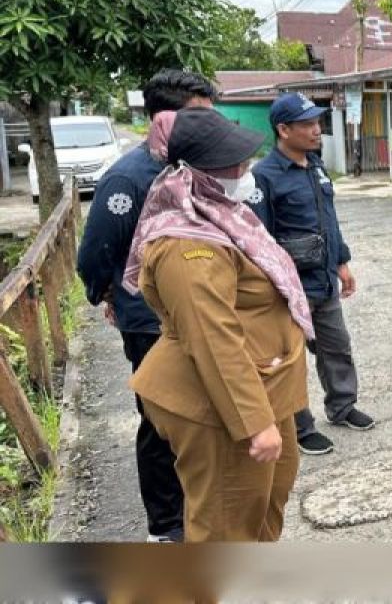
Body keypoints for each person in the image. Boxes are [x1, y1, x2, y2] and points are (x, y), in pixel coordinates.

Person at [123, 107, 312, 542]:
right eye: (234, 162)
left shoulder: (219, 215)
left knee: (264, 507)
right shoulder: (187, 244)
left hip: (260, 388)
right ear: (197, 172)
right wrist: (253, 422)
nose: (245, 169)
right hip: (216, 403)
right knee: (227, 526)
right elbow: (213, 339)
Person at [75, 68, 216, 543]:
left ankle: (200, 509)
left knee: (204, 416)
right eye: (196, 116)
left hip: (200, 319)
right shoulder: (128, 178)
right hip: (151, 325)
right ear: (161, 118)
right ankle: (166, 526)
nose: (207, 127)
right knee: (161, 425)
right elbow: (95, 253)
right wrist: (109, 294)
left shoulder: (197, 169)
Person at [248, 93, 374, 457]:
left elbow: (330, 221)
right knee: (291, 360)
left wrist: (342, 262)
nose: (316, 130)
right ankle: (300, 426)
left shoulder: (316, 166)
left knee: (336, 347)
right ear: (283, 130)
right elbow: (258, 238)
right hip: (289, 288)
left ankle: (342, 406)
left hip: (324, 281)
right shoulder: (264, 177)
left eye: (317, 122)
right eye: (307, 124)